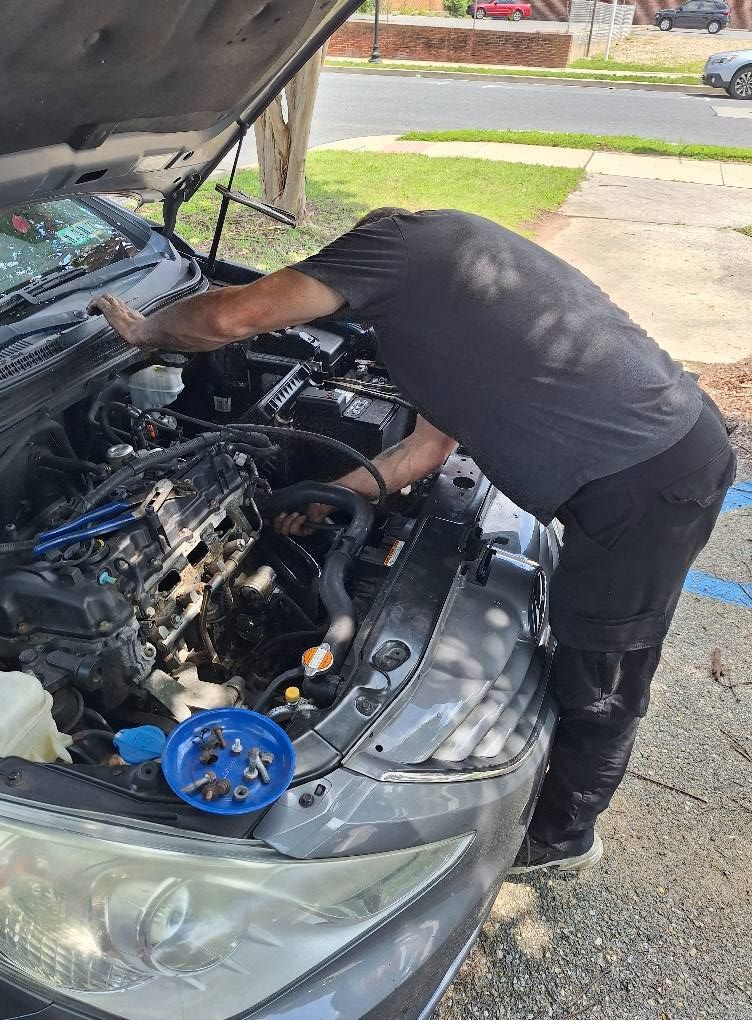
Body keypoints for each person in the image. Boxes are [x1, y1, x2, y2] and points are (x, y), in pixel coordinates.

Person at [90, 208, 735, 874]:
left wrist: (145, 330)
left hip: (650, 480)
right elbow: (424, 452)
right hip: (644, 454)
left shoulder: (389, 249)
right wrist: (324, 499)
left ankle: (559, 838)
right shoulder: (445, 283)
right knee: (588, 627)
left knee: (604, 669)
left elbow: (231, 318)